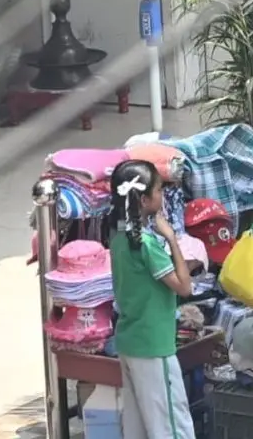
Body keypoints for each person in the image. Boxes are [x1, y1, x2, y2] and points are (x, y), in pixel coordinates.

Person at [104, 160, 196, 439]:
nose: (163, 195)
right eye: (159, 190)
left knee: (139, 426)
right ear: (144, 199)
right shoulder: (147, 244)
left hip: (130, 341)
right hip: (154, 346)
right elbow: (184, 288)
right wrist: (171, 238)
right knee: (172, 425)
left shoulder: (117, 235)